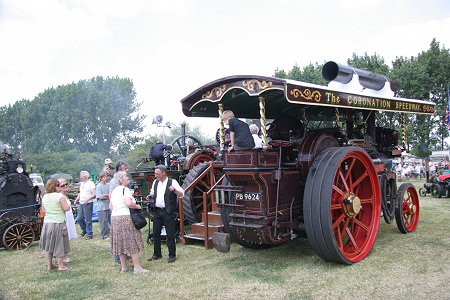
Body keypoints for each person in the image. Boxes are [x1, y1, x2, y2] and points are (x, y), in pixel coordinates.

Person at [110, 171, 148, 274]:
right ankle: (137, 268)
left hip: (115, 218)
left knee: (120, 243)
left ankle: (124, 268)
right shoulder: (125, 189)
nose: (128, 178)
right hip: (125, 217)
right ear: (121, 179)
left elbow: (111, 207)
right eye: (126, 176)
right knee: (133, 241)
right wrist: (137, 206)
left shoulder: (114, 191)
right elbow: (128, 203)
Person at [147, 165, 184, 263]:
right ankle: (157, 254)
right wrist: (150, 195)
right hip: (157, 211)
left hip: (168, 211)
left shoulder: (172, 182)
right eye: (155, 174)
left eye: (157, 174)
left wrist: (174, 190)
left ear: (164, 173)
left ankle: (172, 255)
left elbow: (182, 194)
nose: (156, 176)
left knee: (170, 234)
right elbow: (153, 193)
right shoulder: (155, 182)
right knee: (156, 233)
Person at [39, 178, 71, 271]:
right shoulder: (59, 196)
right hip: (58, 223)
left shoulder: (45, 196)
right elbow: (67, 208)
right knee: (59, 244)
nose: (59, 187)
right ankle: (61, 266)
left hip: (47, 223)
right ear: (54, 186)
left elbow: (44, 210)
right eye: (58, 185)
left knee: (49, 246)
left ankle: (50, 266)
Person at [56, 178, 76, 264]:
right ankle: (62, 257)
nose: (65, 186)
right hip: (63, 217)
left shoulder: (65, 195)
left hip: (69, 216)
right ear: (58, 187)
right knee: (63, 237)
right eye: (62, 185)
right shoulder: (59, 196)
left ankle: (64, 255)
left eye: (66, 184)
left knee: (66, 236)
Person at [74, 171, 96, 240]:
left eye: (81, 175)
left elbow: (94, 194)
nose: (80, 176)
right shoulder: (82, 183)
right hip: (81, 202)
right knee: (79, 218)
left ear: (84, 176)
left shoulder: (90, 183)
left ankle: (90, 234)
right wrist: (76, 199)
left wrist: (87, 199)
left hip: (88, 203)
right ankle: (84, 229)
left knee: (88, 219)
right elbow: (81, 192)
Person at [96, 171, 111, 240]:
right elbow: (100, 197)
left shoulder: (108, 185)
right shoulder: (98, 186)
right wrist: (107, 196)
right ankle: (104, 236)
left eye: (106, 177)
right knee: (103, 222)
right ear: (101, 178)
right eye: (104, 177)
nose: (106, 178)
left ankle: (109, 234)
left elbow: (111, 194)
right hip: (101, 207)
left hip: (108, 206)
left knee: (110, 221)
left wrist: (106, 195)